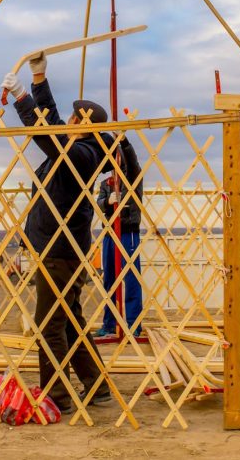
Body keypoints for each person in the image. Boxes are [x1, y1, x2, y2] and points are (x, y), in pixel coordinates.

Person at [1, 54, 113, 412]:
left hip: (59, 250)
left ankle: (57, 396)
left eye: (73, 118)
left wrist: (21, 99)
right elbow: (50, 118)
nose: (68, 120)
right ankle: (97, 387)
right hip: (60, 248)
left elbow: (47, 132)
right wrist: (38, 77)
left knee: (50, 324)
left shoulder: (81, 154)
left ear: (83, 123)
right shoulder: (77, 146)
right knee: (71, 323)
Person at [94, 137, 143, 338]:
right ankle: (109, 323)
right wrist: (107, 201)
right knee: (110, 280)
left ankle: (133, 324)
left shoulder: (133, 177)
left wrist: (124, 142)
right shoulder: (106, 182)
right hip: (109, 233)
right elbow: (99, 202)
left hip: (128, 231)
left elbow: (132, 162)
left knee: (131, 279)